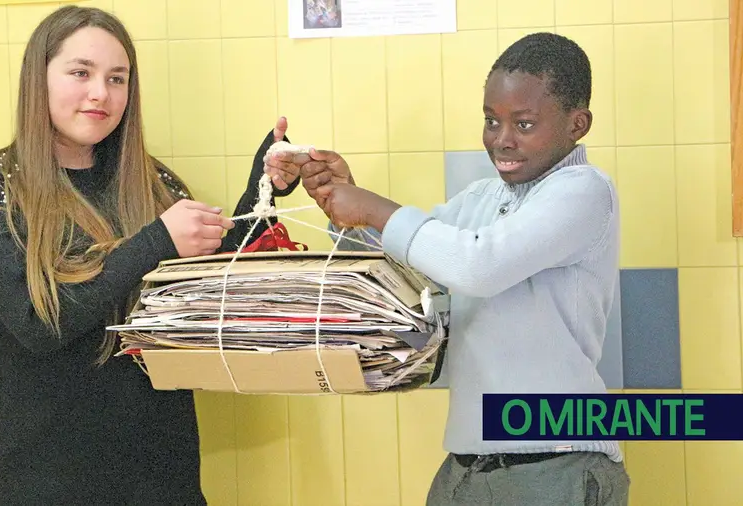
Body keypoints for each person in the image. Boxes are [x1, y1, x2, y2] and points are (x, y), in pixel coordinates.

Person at [0, 5, 298, 505]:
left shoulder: (151, 183)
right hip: (49, 483)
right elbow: (38, 326)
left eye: (117, 78)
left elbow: (204, 295)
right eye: (80, 72)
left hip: (164, 477)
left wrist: (262, 191)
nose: (101, 93)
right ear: (37, 80)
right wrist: (154, 240)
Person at [266, 32, 630, 505]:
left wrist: (373, 207)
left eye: (523, 124)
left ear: (577, 124)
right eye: (491, 120)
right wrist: (345, 204)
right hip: (468, 467)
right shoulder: (483, 199)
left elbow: (478, 265)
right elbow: (405, 267)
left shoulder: (584, 192)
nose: (502, 139)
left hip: (555, 465)